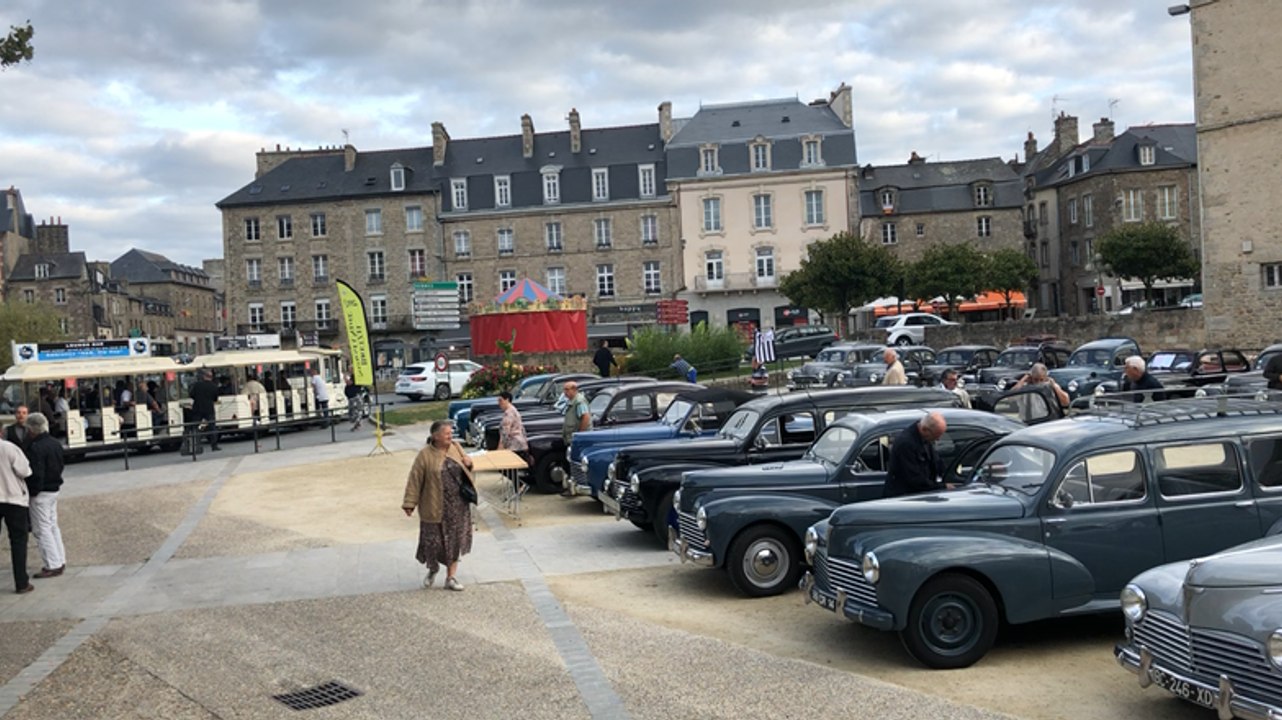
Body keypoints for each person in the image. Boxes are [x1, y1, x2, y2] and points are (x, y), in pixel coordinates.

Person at [402, 420, 474, 591]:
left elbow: (466, 468)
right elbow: (415, 479)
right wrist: (409, 502)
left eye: (450, 433)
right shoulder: (425, 455)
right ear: (435, 436)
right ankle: (433, 569)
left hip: (457, 506)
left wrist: (469, 463)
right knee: (433, 542)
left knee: (454, 541)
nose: (450, 436)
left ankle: (451, 577)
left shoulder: (455, 447)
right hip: (434, 505)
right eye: (447, 433)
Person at [25, 413, 65, 579]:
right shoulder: (55, 443)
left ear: (32, 429)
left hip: (41, 492)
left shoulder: (36, 447)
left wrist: (32, 490)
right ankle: (59, 559)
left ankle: (52, 563)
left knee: (42, 528)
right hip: (54, 488)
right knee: (52, 525)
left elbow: (37, 473)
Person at [883, 412, 948, 498]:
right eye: (936, 435)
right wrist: (942, 487)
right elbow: (915, 479)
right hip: (903, 497)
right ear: (925, 430)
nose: (938, 439)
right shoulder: (906, 444)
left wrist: (947, 474)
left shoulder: (925, 438)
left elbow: (936, 461)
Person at [0, 433, 33, 594]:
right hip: (13, 497)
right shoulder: (10, 448)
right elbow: (25, 471)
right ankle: (21, 582)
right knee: (18, 541)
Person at [497, 390, 530, 493]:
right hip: (519, 443)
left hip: (514, 444)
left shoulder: (509, 413)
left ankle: (520, 485)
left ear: (507, 400)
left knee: (503, 466)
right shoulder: (514, 410)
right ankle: (518, 486)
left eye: (501, 400)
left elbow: (505, 432)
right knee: (510, 468)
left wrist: (501, 446)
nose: (499, 403)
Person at [189, 369, 222, 451]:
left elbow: (192, 395)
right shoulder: (214, 386)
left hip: (197, 408)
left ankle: (194, 444)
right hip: (209, 408)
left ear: (204, 376)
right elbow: (215, 398)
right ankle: (214, 445)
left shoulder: (197, 385)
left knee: (195, 426)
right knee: (212, 427)